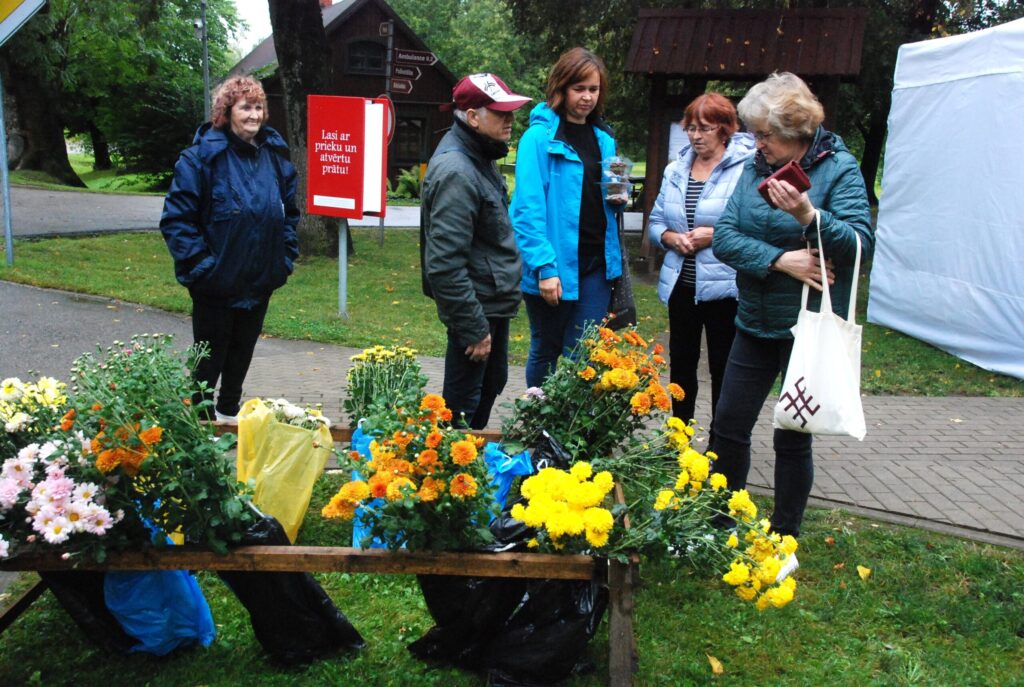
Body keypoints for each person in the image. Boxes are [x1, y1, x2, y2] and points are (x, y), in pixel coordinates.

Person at [711, 72, 873, 541]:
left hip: (807, 326)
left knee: (793, 431)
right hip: (754, 320)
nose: (754, 142)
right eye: (755, 132)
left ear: (796, 131)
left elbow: (860, 245)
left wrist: (809, 216)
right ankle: (720, 525)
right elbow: (725, 238)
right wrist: (782, 259)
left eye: (764, 134)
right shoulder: (754, 168)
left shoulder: (839, 168)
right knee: (728, 425)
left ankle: (784, 536)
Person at [160, 75, 299, 422]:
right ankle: (200, 424)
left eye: (258, 107)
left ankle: (228, 414)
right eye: (245, 107)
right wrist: (203, 267)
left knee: (241, 355)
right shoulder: (200, 159)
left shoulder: (275, 159)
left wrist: (281, 261)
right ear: (227, 111)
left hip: (259, 280)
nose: (253, 115)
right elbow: (177, 220)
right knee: (210, 360)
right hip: (215, 283)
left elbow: (289, 215)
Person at [420, 73, 530, 429]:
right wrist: (473, 327)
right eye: (500, 112)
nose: (510, 120)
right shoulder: (458, 170)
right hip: (477, 308)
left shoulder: (479, 156)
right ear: (472, 116)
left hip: (490, 302)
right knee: (460, 416)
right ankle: (452, 479)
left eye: (511, 111)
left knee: (486, 390)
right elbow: (444, 264)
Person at [511, 47, 624, 388]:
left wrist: (618, 196)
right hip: (554, 267)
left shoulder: (605, 140)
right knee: (546, 350)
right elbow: (527, 210)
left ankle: (568, 436)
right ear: (561, 88)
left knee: (585, 353)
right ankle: (538, 427)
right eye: (579, 89)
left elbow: (609, 200)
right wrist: (545, 267)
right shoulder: (538, 139)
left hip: (597, 267)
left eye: (594, 89)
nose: (587, 97)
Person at [648, 94, 754, 437]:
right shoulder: (675, 169)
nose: (695, 135)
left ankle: (722, 442)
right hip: (682, 284)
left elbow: (756, 224)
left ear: (724, 130)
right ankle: (677, 437)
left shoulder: (747, 167)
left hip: (726, 287)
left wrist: (716, 235)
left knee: (723, 368)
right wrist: (670, 238)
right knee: (682, 365)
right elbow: (655, 221)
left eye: (704, 128)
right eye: (691, 128)